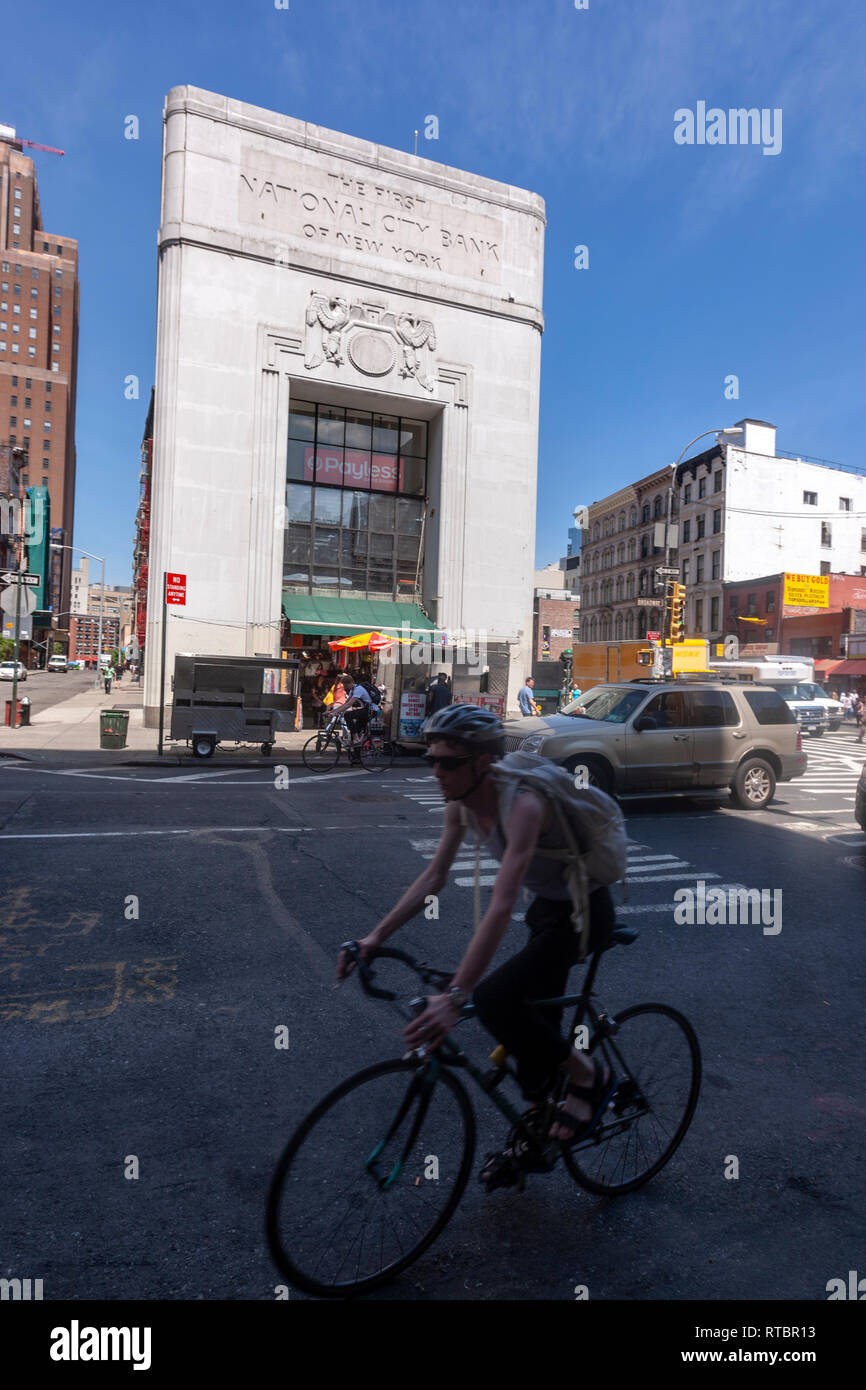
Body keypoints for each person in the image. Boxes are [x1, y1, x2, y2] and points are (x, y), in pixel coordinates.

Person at [336, 704, 618, 1184]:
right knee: (528, 1046)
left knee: (493, 999)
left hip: (583, 914)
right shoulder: (461, 803)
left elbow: (503, 902)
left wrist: (458, 996)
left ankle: (591, 1076)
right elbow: (435, 875)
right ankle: (537, 1135)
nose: (436, 771)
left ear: (483, 764)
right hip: (548, 910)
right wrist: (373, 938)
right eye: (432, 760)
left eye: (448, 762)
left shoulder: (525, 804)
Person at [336, 675, 373, 757]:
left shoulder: (358, 689)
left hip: (370, 711)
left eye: (346, 685)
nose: (345, 688)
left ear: (351, 683)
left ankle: (356, 739)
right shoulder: (352, 691)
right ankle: (356, 758)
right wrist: (332, 711)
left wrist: (336, 712)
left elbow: (349, 704)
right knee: (355, 730)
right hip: (366, 711)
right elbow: (345, 704)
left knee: (348, 715)